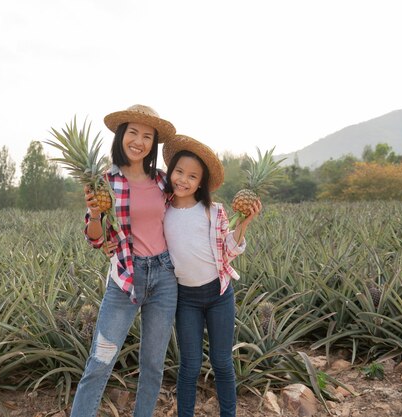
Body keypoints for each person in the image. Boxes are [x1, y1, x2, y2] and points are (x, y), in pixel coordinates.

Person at [70, 104, 178, 417]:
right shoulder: (104, 182)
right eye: (133, 132)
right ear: (121, 136)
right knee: (100, 362)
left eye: (147, 136)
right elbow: (95, 239)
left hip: (164, 277)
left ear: (153, 144)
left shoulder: (162, 181)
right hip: (124, 278)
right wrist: (94, 213)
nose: (139, 141)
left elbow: (181, 219)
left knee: (153, 366)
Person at [162, 135, 261, 417]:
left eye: (192, 176)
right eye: (179, 172)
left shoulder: (213, 211)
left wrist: (244, 224)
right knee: (190, 365)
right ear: (171, 173)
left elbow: (227, 250)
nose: (183, 179)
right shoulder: (163, 211)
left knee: (222, 362)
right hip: (186, 299)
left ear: (201, 183)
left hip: (219, 294)